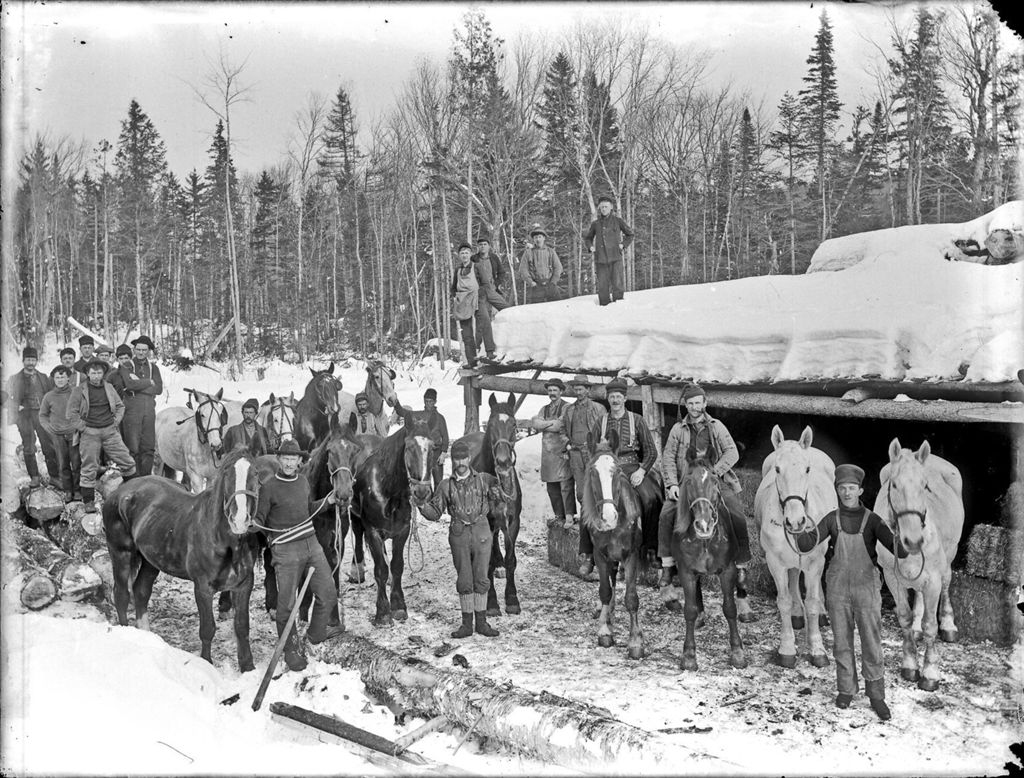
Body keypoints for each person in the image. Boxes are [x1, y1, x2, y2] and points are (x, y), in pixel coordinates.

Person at [794, 464, 908, 722]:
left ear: (860, 490)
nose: (847, 492)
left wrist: (907, 540)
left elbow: (898, 551)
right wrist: (797, 526)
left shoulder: (873, 521)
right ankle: (846, 690)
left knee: (871, 641)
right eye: (842, 488)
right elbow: (808, 542)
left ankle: (876, 695)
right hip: (837, 589)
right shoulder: (830, 519)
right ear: (837, 491)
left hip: (866, 587)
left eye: (851, 488)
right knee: (841, 642)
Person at [254, 438, 344, 672]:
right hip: (285, 550)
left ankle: (315, 635)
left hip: (311, 544)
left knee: (328, 593)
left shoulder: (303, 482)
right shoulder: (269, 486)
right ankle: (291, 649)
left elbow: (307, 511)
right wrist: (257, 528)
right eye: (285, 458)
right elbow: (260, 522)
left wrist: (328, 501)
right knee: (286, 606)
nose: (289, 462)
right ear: (279, 460)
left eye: (293, 458)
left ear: (299, 461)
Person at [657, 383, 752, 587]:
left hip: (713, 481)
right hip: (688, 482)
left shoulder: (716, 426)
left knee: (736, 512)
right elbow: (668, 457)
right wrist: (672, 484)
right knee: (666, 513)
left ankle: (742, 563)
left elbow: (732, 452)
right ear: (686, 405)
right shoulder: (677, 429)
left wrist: (715, 472)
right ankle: (667, 564)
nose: (694, 407)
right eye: (690, 403)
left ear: (705, 403)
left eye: (698, 402)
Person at [418, 439, 502, 639]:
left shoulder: (484, 479)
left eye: (464, 457)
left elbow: (505, 489)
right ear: (452, 460)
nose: (460, 462)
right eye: (456, 459)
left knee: (482, 577)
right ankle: (466, 624)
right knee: (465, 578)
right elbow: (435, 512)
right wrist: (421, 505)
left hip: (482, 532)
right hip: (458, 534)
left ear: (469, 458)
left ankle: (481, 623)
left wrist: (500, 487)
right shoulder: (445, 485)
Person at [582, 377, 660, 573]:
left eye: (619, 396)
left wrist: (642, 471)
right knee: (587, 501)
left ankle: (652, 548)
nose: (615, 400)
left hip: (632, 467)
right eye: (612, 397)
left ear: (625, 398)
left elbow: (651, 451)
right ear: (608, 399)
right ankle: (588, 553)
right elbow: (590, 450)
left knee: (652, 499)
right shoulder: (601, 421)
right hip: (607, 469)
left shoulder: (638, 420)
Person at [66, 358, 138, 514]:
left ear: (103, 373)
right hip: (89, 433)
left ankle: (132, 495)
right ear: (87, 373)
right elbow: (71, 413)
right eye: (93, 373)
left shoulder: (109, 388)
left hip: (109, 431)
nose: (96, 376)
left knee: (127, 462)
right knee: (89, 467)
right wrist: (83, 427)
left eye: (99, 373)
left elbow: (120, 406)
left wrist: (115, 422)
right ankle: (89, 502)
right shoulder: (79, 390)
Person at [561, 375, 607, 575]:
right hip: (576, 455)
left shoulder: (598, 409)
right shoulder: (569, 410)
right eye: (576, 389)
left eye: (581, 389)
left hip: (594, 454)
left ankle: (605, 543)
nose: (578, 392)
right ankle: (588, 550)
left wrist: (599, 448)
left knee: (601, 493)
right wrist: (568, 444)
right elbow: (563, 430)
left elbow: (606, 431)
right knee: (583, 495)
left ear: (588, 390)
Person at [523, 378, 575, 529]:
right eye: (550, 390)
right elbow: (535, 424)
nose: (552, 393)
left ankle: (570, 516)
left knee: (566, 485)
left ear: (561, 391)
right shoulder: (544, 408)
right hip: (547, 454)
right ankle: (559, 515)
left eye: (555, 390)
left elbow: (560, 425)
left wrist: (544, 424)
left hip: (562, 452)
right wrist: (548, 424)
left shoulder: (567, 407)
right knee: (552, 487)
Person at [6, 346, 59, 488]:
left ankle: (54, 476)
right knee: (29, 447)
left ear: (36, 361)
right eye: (28, 360)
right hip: (24, 416)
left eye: (33, 359)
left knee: (48, 446)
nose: (30, 362)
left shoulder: (43, 377)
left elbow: (50, 395)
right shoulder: (14, 379)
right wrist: (16, 406)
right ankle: (34, 477)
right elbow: (5, 396)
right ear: (23, 361)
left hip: (41, 415)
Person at [38, 366, 82, 502]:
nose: (60, 380)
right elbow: (42, 415)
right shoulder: (49, 396)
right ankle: (68, 490)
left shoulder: (76, 393)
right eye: (57, 377)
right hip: (57, 436)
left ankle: (78, 490)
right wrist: (49, 428)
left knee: (76, 463)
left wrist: (79, 426)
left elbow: (84, 410)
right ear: (53, 379)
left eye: (63, 377)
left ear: (68, 378)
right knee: (63, 464)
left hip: (73, 434)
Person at [122, 335, 163, 476]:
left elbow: (158, 389)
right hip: (132, 409)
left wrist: (138, 384)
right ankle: (134, 480)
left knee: (148, 447)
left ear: (148, 351)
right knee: (133, 447)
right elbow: (129, 384)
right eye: (138, 349)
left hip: (149, 409)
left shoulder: (154, 368)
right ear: (134, 350)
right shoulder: (127, 365)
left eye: (144, 350)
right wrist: (148, 382)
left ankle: (146, 479)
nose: (140, 353)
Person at [583, 195, 634, 306]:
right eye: (602, 207)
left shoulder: (618, 221)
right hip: (601, 260)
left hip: (616, 258)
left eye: (606, 207)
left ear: (611, 207)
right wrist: (590, 247)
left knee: (618, 285)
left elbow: (630, 235)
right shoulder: (595, 224)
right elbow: (588, 238)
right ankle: (604, 310)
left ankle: (619, 308)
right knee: (602, 288)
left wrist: (623, 245)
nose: (604, 209)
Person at [471, 237, 511, 362]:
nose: (483, 246)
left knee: (508, 310)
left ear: (488, 246)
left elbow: (502, 273)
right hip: (479, 293)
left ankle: (510, 343)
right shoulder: (473, 259)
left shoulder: (493, 258)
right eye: (480, 244)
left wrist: (496, 284)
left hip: (492, 290)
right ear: (478, 247)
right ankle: (482, 350)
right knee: (483, 320)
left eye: (485, 244)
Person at [451, 243, 481, 368]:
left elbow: (484, 283)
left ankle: (484, 357)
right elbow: (453, 287)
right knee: (467, 334)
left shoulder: (476, 267)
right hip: (463, 302)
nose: (464, 255)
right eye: (462, 253)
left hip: (476, 299)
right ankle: (471, 361)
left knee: (480, 329)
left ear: (470, 254)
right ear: (459, 255)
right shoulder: (458, 270)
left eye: (466, 252)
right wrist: (455, 297)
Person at [518, 227, 565, 304]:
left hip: (550, 284)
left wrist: (553, 282)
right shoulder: (528, 253)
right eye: (536, 237)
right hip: (536, 286)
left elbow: (558, 267)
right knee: (536, 311)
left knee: (558, 307)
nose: (538, 239)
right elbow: (523, 269)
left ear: (544, 238)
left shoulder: (550, 251)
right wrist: (531, 282)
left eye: (540, 237)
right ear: (533, 239)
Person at [423, 388, 449, 490]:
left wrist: (443, 453)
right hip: (424, 454)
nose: (428, 404)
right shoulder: (421, 416)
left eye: (430, 401)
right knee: (425, 482)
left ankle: (438, 504)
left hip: (437, 453)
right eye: (426, 401)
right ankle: (427, 504)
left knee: (438, 482)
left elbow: (445, 436)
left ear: (435, 402)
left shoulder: (440, 418)